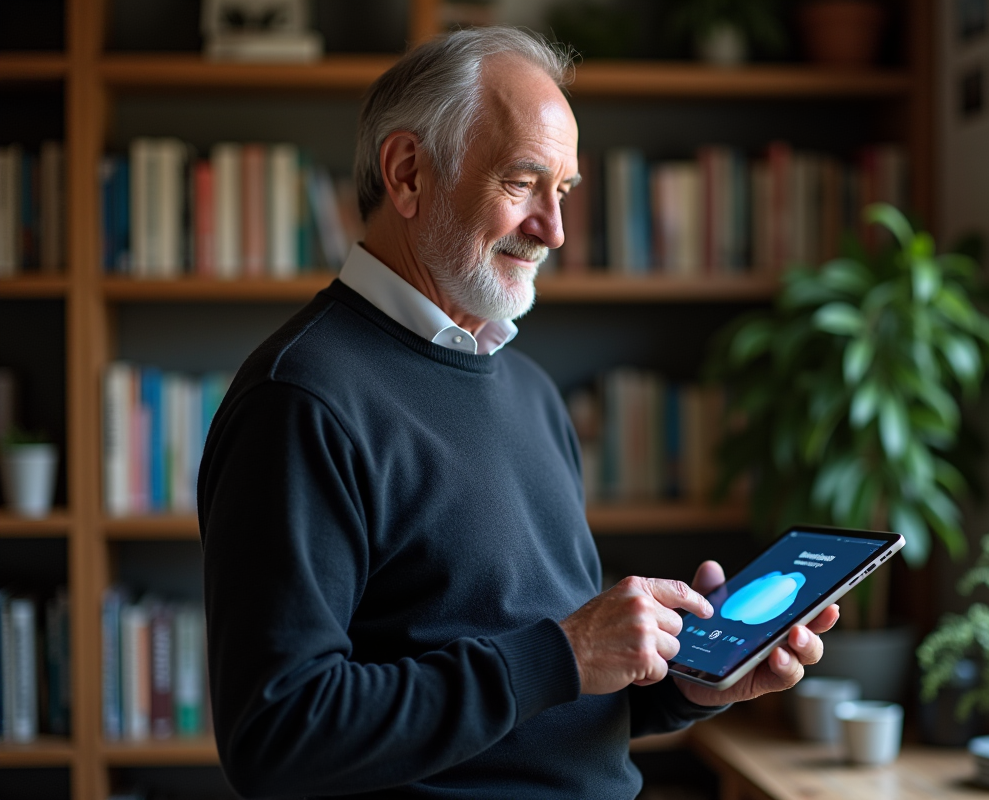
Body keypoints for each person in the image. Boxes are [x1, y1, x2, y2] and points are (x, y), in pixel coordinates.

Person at [198, 26, 838, 799]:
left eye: (561, 191)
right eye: (521, 182)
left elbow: (544, 691)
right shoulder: (299, 400)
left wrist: (686, 683)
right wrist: (562, 652)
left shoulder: (529, 389)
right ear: (407, 174)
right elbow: (278, 734)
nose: (554, 230)